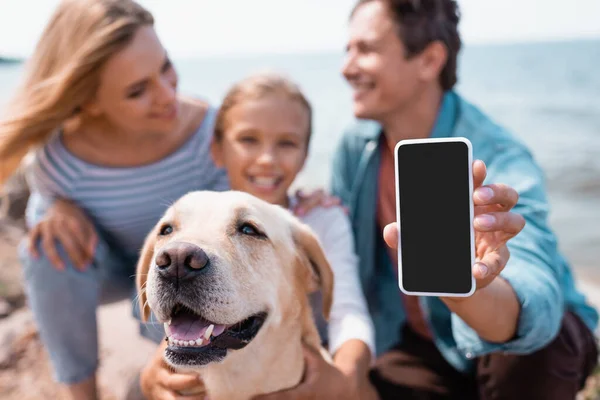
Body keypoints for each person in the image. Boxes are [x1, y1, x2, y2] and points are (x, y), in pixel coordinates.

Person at [0, 1, 332, 399]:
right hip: (117, 265)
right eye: (138, 90)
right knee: (44, 255)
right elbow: (44, 199)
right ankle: (82, 392)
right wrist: (53, 209)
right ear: (89, 101)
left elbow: (251, 194)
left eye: (165, 68)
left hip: (188, 264)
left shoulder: (211, 134)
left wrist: (296, 198)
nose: (166, 95)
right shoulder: (62, 159)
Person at [324, 0, 599, 399]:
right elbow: (344, 265)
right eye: (347, 50)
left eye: (365, 50)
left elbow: (533, 296)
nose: (346, 67)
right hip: (429, 344)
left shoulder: (496, 157)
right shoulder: (357, 147)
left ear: (429, 59)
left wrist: (463, 286)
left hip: (519, 338)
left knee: (536, 352)